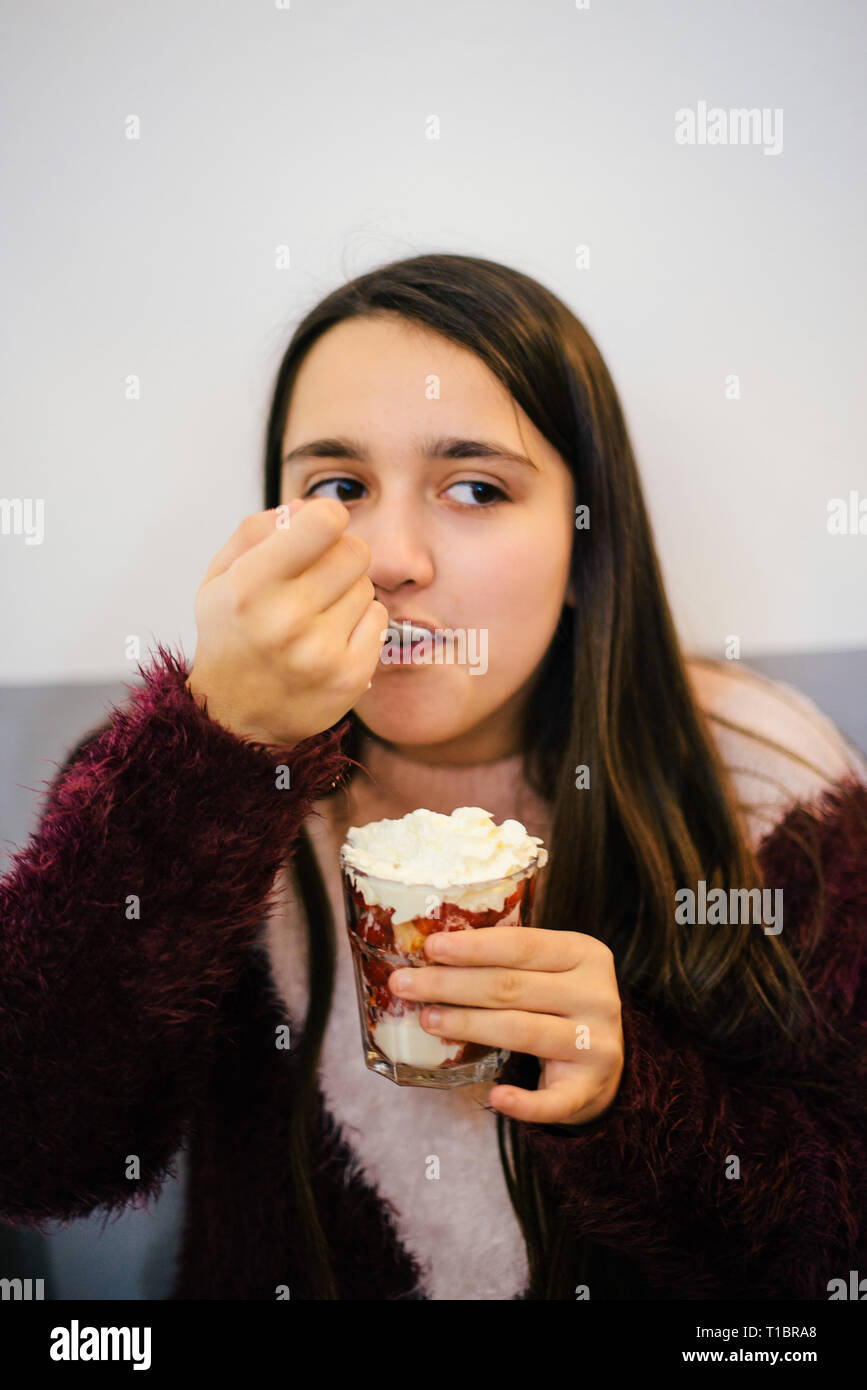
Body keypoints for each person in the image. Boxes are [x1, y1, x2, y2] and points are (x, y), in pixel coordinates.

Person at [1, 254, 865, 1301]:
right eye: (336, 486)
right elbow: (33, 1142)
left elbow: (839, 1244)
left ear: (588, 542)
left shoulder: (764, 785)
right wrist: (219, 748)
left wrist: (637, 1100)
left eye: (474, 487)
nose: (391, 556)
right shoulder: (185, 778)